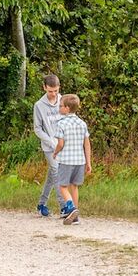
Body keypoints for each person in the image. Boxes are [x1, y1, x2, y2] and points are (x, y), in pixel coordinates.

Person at [52, 94, 92, 225]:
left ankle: (71, 208)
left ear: (67, 108)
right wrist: (88, 162)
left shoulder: (61, 124)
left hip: (66, 160)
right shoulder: (82, 124)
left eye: (61, 106)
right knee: (74, 187)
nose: (59, 107)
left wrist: (55, 152)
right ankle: (75, 217)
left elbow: (60, 144)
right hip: (80, 161)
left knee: (62, 186)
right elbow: (86, 144)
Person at [34, 74, 64, 217]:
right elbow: (37, 128)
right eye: (50, 91)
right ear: (44, 88)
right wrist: (51, 141)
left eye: (55, 91)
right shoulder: (39, 105)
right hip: (49, 147)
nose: (53, 94)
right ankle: (65, 207)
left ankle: (41, 204)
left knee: (52, 175)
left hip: (63, 145)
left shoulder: (63, 101)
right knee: (57, 172)